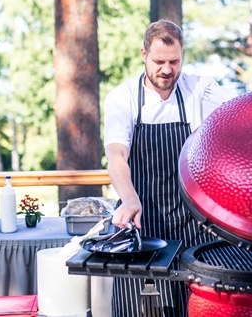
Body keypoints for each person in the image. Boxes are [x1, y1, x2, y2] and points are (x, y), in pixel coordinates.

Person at [104, 19, 236, 317]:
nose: (167, 69)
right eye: (159, 61)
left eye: (174, 61)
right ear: (143, 55)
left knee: (200, 305)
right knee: (132, 307)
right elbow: (116, 154)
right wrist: (129, 198)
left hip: (194, 220)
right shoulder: (122, 98)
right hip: (141, 218)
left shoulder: (201, 90)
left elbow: (233, 127)